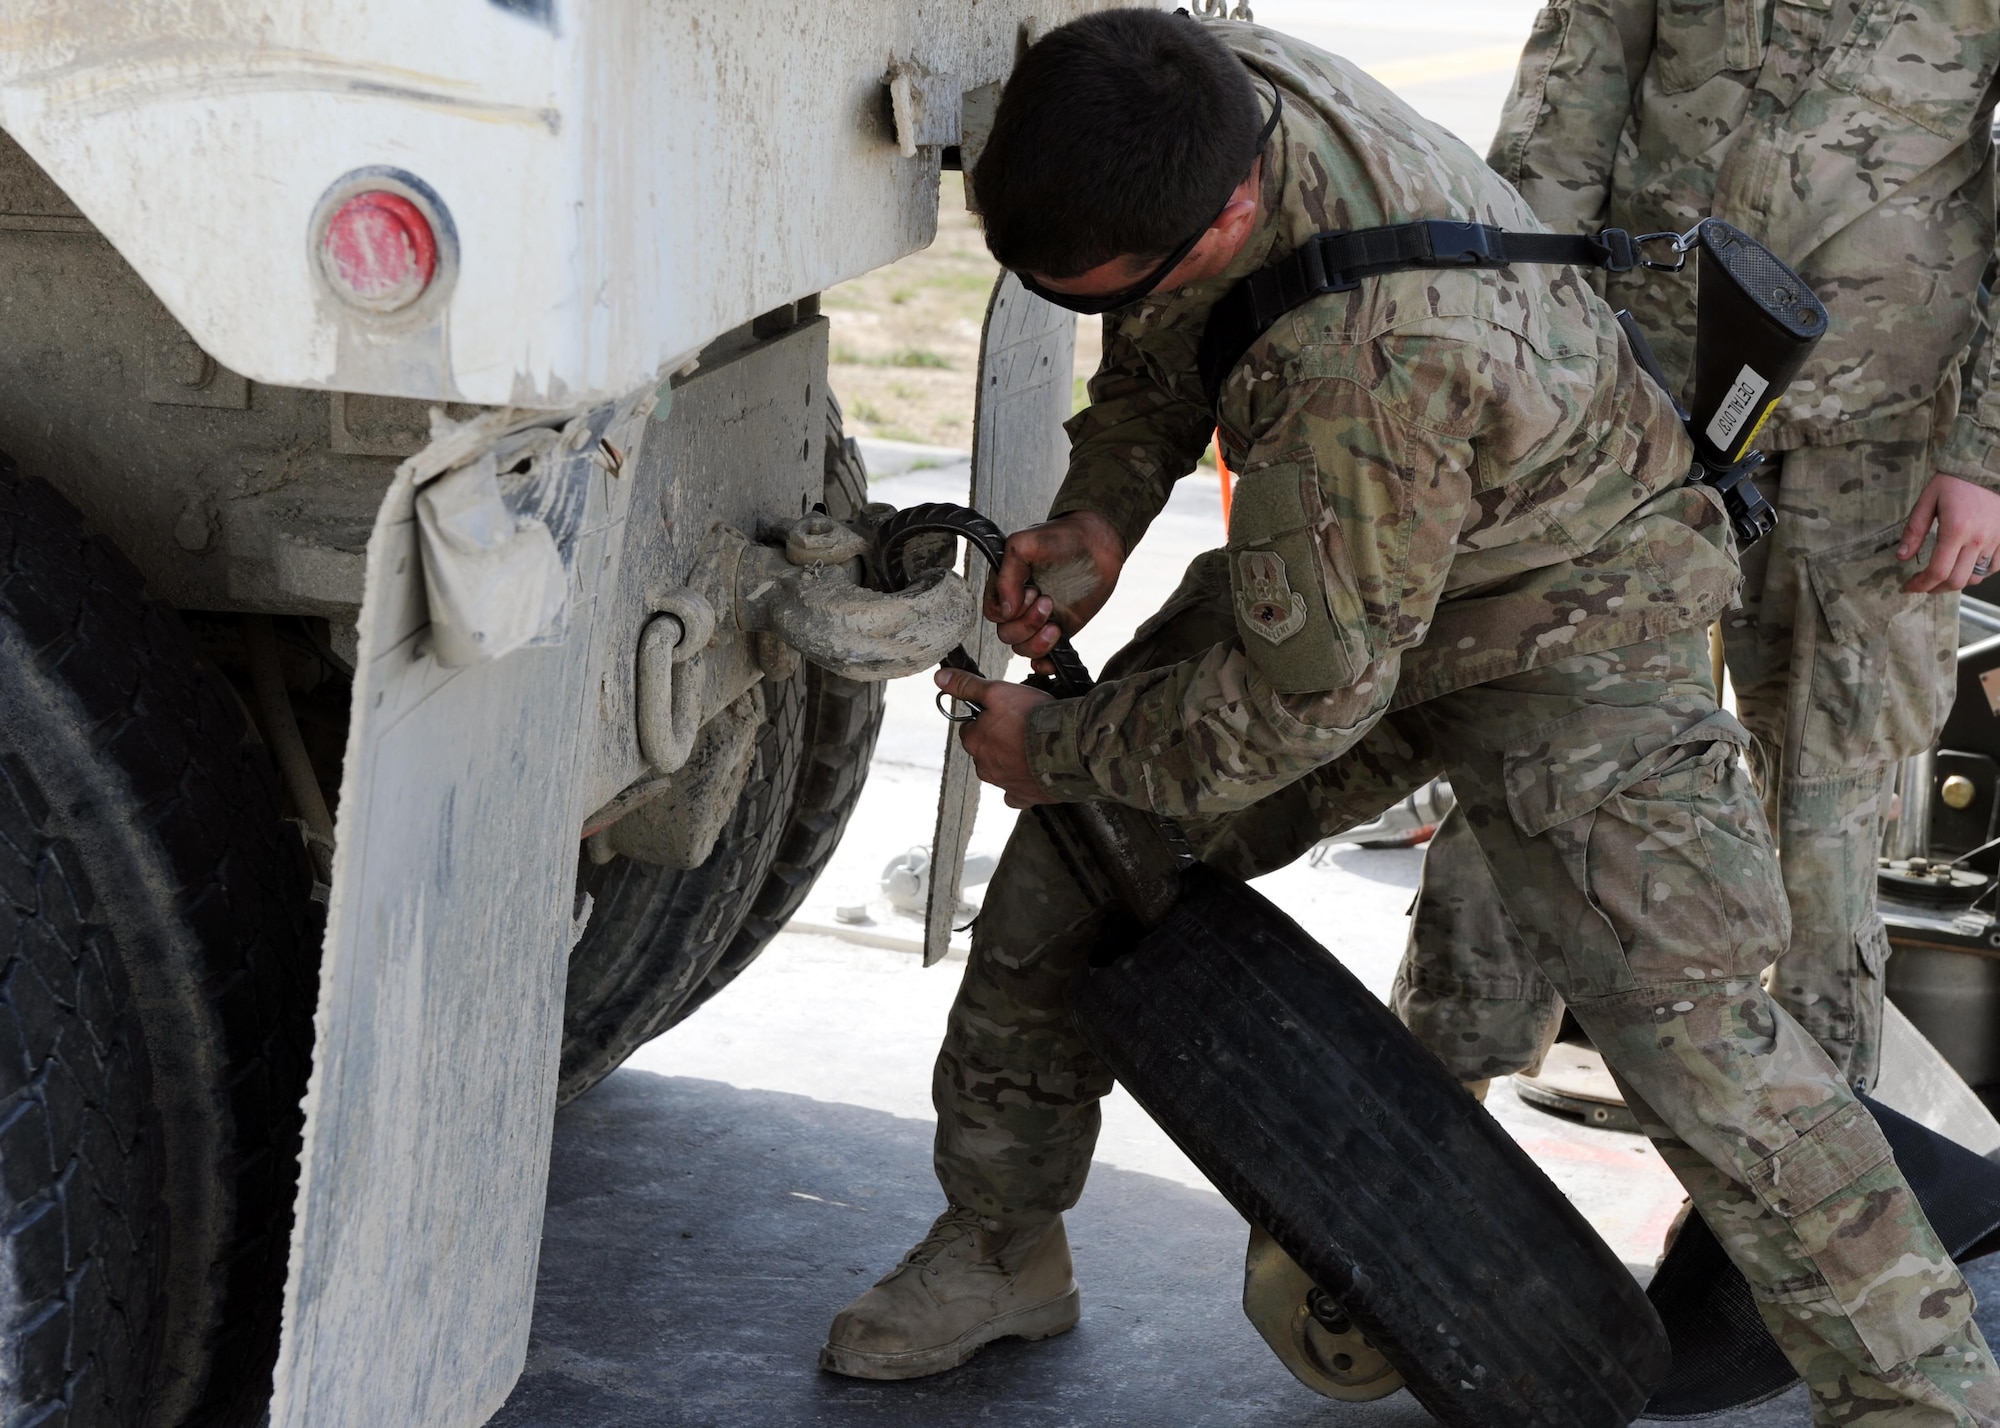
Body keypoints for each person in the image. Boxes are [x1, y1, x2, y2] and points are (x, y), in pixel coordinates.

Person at [817, 10, 2000, 1421]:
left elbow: (1290, 710)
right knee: (1073, 872)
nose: (1093, 306)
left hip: (1568, 613)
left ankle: (1927, 1400)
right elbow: (1166, 336)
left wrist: (1051, 746)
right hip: (1359, 558)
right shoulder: (1193, 99)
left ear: (1232, 209)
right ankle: (999, 1244)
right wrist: (1103, 515)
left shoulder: (1371, 363)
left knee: (1686, 1022)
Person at [1395, 0, 2000, 1102]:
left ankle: (1796, 1224)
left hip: (1870, 446)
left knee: (1822, 830)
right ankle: (1420, 1146)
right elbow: (1567, 102)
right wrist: (1523, 358)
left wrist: (1986, 454)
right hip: (1636, 403)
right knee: (1536, 764)